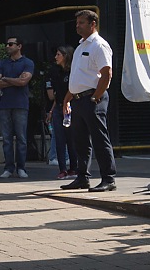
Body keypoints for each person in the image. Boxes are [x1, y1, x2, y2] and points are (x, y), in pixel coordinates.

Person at [61, 10, 117, 192]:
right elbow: (78, 77)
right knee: (80, 141)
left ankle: (108, 179)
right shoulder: (80, 47)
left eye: (81, 23)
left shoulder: (99, 45)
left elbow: (107, 73)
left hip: (92, 98)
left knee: (100, 139)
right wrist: (67, 98)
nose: (77, 26)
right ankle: (82, 177)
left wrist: (96, 96)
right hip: (78, 99)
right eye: (77, 22)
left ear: (93, 24)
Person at [0, 37, 34, 179]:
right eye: (7, 44)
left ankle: (21, 167)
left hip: (20, 104)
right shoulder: (3, 63)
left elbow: (24, 81)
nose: (7, 46)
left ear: (19, 46)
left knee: (21, 138)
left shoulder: (27, 63)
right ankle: (9, 168)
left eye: (11, 44)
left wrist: (6, 79)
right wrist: (15, 80)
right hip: (5, 105)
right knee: (7, 139)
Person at [45, 45, 77, 180]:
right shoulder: (55, 71)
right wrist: (52, 111)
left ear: (66, 56)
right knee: (59, 138)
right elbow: (55, 95)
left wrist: (67, 103)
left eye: (59, 54)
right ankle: (62, 169)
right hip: (58, 107)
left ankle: (73, 168)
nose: (56, 57)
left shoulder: (73, 72)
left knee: (71, 139)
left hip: (71, 107)